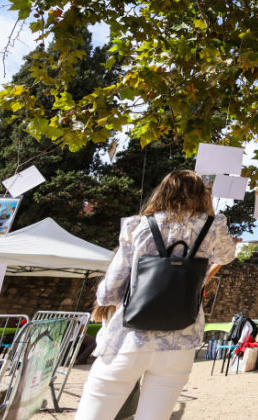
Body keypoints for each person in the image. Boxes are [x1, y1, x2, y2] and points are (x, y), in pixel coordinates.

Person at [74, 170, 236, 420]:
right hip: (181, 338)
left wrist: (108, 301)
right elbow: (226, 257)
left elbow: (109, 290)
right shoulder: (213, 226)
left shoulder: (137, 224)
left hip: (131, 336)